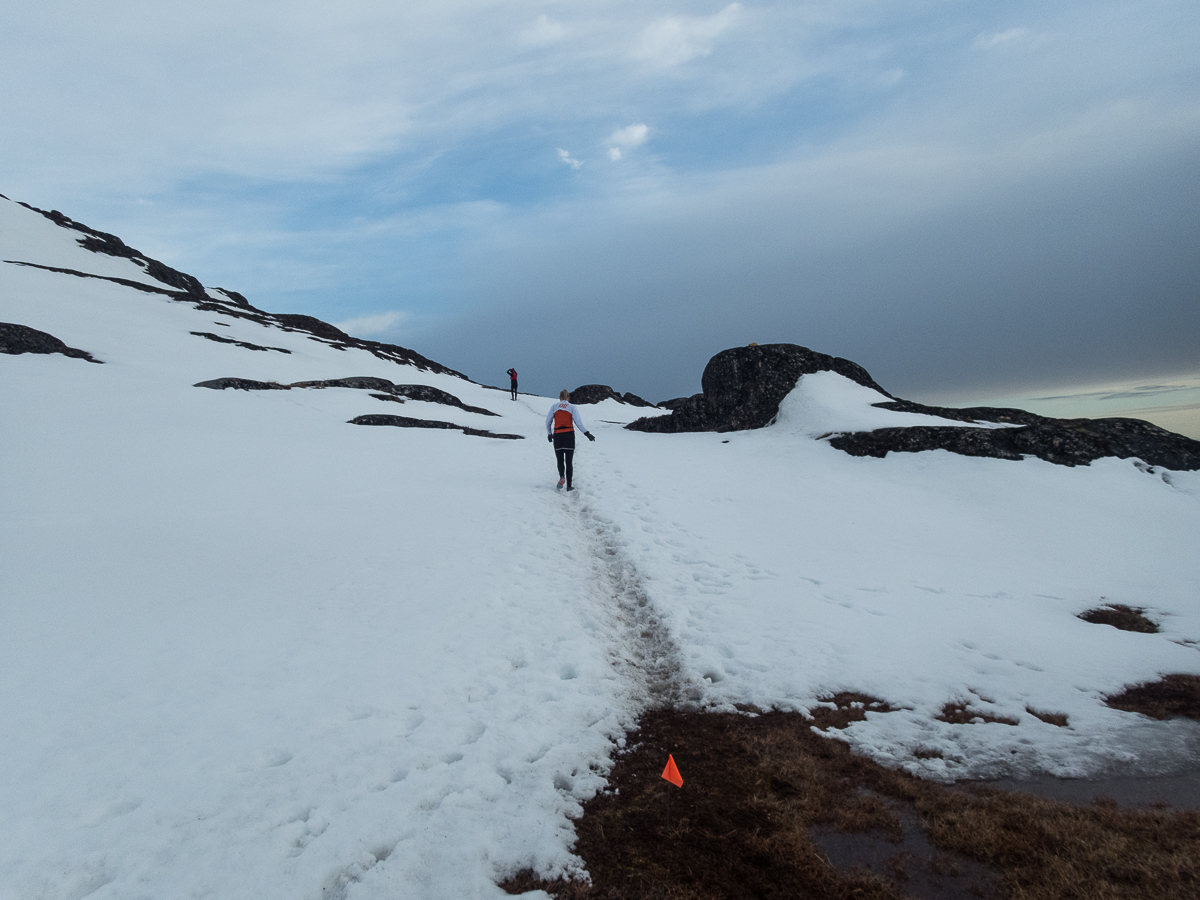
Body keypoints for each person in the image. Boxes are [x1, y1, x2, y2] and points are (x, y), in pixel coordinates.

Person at [545, 389, 594, 491]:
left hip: (558, 435)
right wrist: (587, 433)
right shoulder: (572, 407)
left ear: (560, 398)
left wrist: (549, 434)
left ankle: (562, 477)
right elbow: (578, 422)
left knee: (559, 460)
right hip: (569, 435)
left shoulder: (554, 407)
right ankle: (569, 486)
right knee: (569, 461)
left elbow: (547, 421)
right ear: (568, 398)